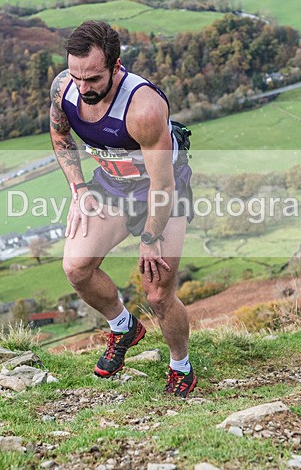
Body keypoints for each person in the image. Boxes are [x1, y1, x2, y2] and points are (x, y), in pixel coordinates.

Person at [48, 21, 196, 397]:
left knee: (158, 293)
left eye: (94, 78)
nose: (84, 87)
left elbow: (163, 185)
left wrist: (150, 237)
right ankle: (123, 326)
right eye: (77, 76)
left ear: (116, 67)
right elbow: (60, 134)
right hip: (112, 186)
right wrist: (78, 188)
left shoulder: (143, 108)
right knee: (76, 267)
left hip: (161, 191)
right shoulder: (64, 88)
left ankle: (181, 365)